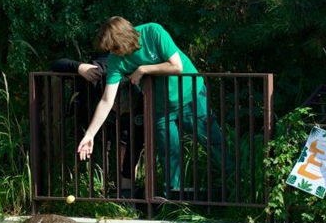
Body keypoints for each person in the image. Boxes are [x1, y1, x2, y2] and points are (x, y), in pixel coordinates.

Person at [76, 17, 228, 197]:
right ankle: (174, 201)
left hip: (191, 95)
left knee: (213, 141)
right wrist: (90, 134)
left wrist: (143, 69)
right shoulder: (116, 59)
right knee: (168, 152)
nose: (113, 53)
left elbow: (177, 66)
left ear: (125, 38)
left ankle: (236, 187)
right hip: (160, 106)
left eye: (115, 47)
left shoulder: (153, 32)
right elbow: (107, 100)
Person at [53, 56, 144, 197]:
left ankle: (127, 191)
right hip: (97, 111)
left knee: (129, 145)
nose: (120, 112)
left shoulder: (140, 92)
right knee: (101, 146)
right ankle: (100, 189)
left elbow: (135, 146)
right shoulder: (102, 69)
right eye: (117, 109)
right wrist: (79, 67)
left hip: (133, 116)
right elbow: (57, 64)